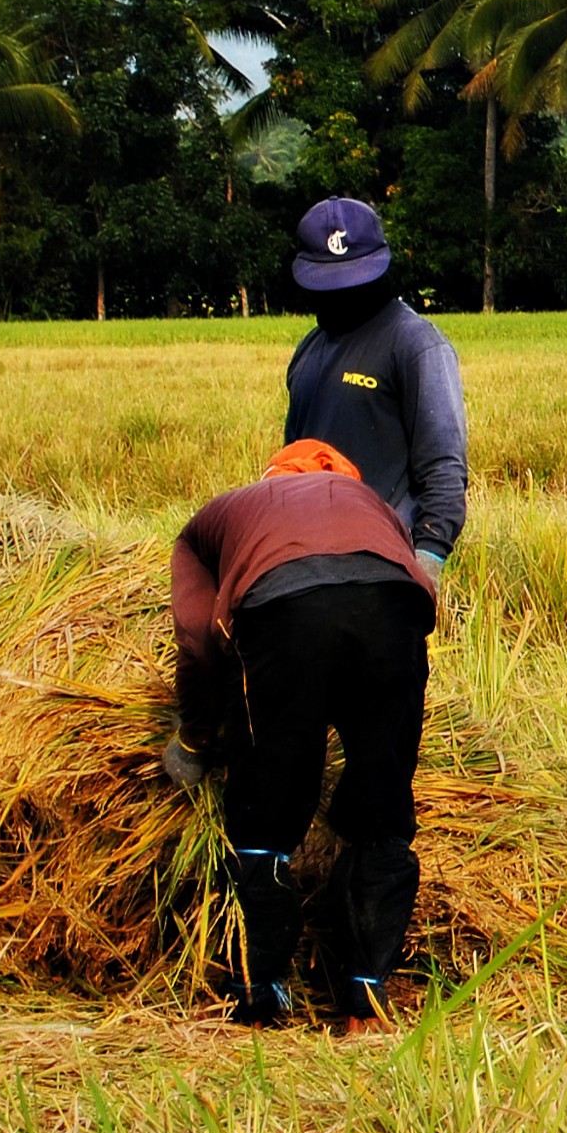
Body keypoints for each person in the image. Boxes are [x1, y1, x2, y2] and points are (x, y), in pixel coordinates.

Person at [166, 439, 438, 1026]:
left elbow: (196, 636)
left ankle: (261, 992)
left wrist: (195, 738)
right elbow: (420, 587)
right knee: (382, 802)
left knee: (267, 807)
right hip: (395, 612)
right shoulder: (371, 502)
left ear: (269, 477)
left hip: (282, 613)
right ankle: (365, 995)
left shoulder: (221, 512)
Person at [282, 198, 469, 577]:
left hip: (383, 564)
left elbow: (443, 469)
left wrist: (426, 565)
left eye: (354, 279)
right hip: (308, 563)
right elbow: (295, 456)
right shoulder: (309, 350)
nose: (343, 294)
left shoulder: (416, 345)